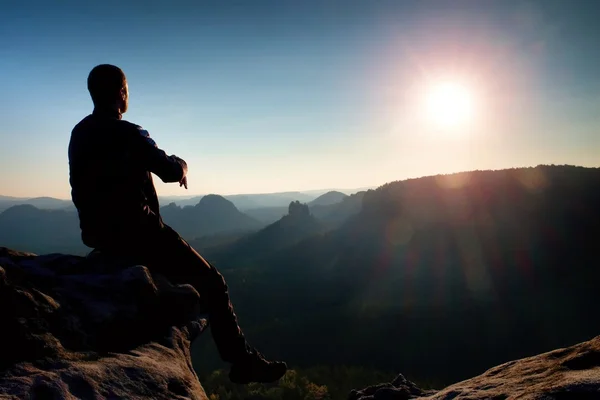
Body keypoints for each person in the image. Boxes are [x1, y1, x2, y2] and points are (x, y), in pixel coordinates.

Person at [68, 64, 287, 384]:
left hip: (98, 235)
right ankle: (242, 361)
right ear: (121, 93)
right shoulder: (128, 132)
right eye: (126, 90)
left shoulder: (79, 133)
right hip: (140, 233)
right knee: (213, 282)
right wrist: (183, 165)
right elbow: (168, 170)